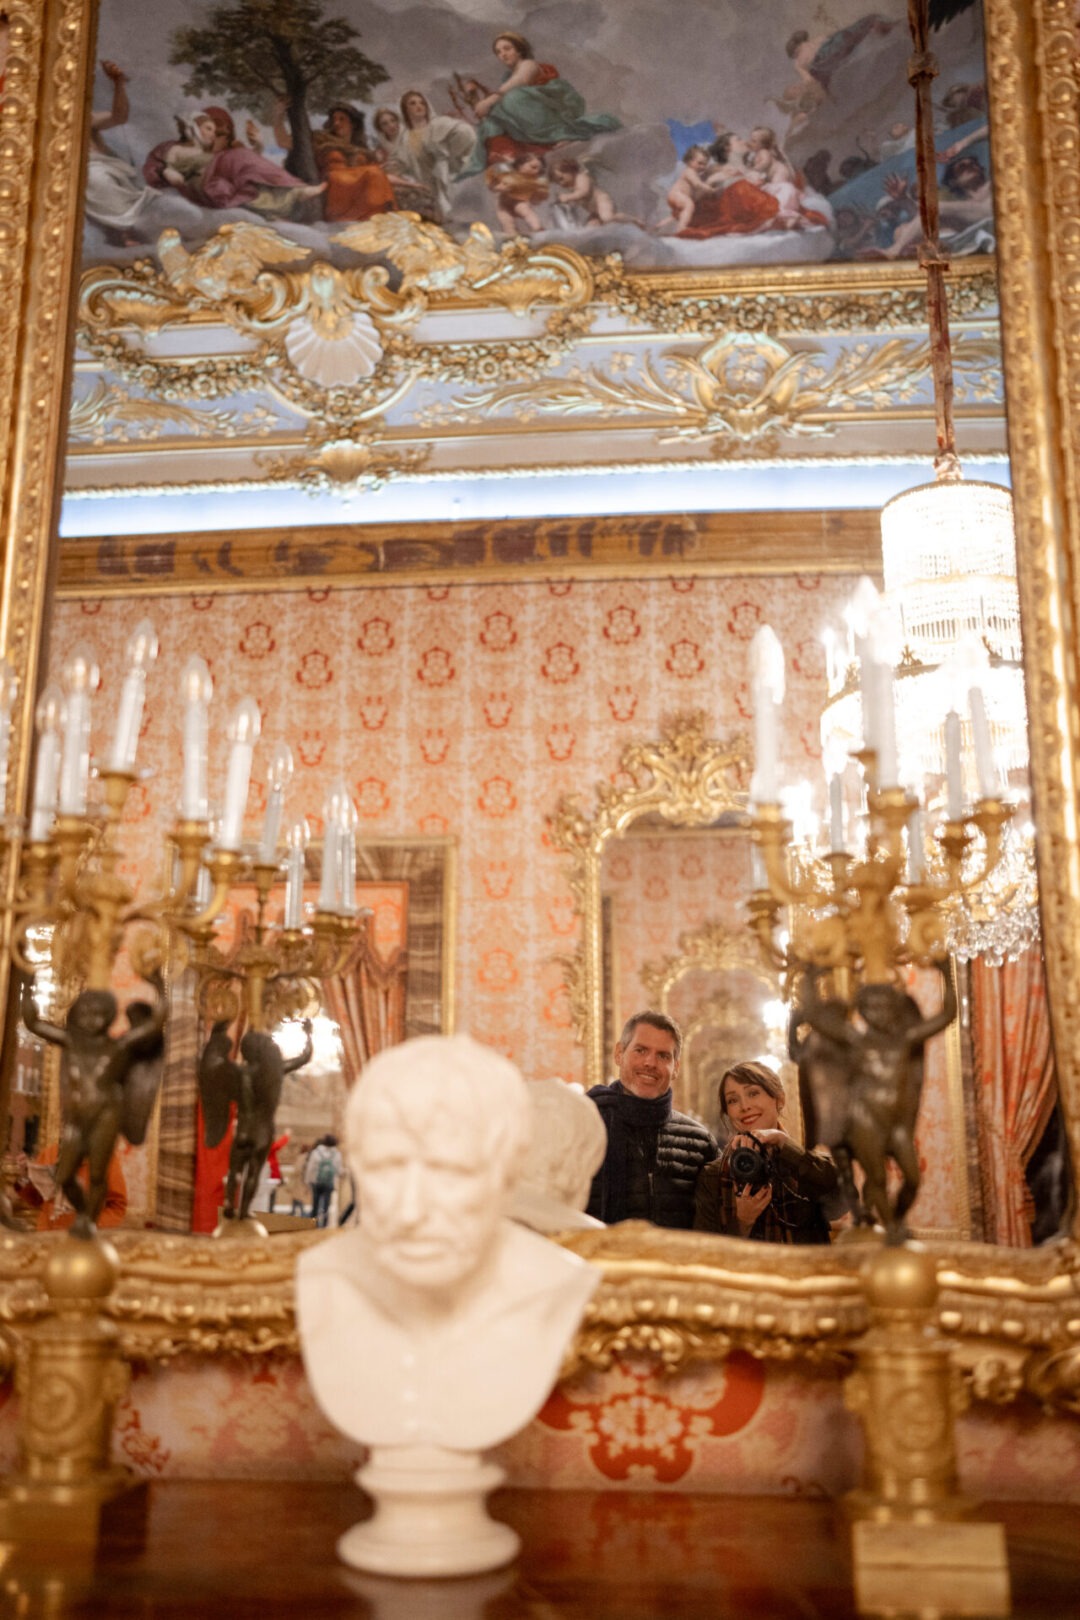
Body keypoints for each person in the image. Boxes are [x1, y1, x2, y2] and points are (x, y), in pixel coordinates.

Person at [586, 1010, 717, 1228]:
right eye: (640, 1050)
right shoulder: (585, 1125)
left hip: (672, 1261)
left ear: (675, 1067)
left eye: (663, 1056)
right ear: (619, 1054)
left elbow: (716, 1229)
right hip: (596, 1259)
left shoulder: (700, 1143)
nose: (650, 1063)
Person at [693, 1061, 838, 1244]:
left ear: (780, 1099)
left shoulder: (803, 1164)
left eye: (753, 1093)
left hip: (806, 1271)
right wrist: (742, 1223)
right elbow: (707, 1253)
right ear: (728, 1112)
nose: (744, 1106)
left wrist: (785, 1146)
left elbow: (842, 1202)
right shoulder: (713, 1176)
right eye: (732, 1100)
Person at [462, 31, 620, 177]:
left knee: (513, 97)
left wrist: (489, 100)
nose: (503, 54)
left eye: (507, 48)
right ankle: (507, 155)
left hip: (549, 112)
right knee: (493, 119)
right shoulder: (508, 76)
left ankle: (561, 135)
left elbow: (519, 82)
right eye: (498, 52)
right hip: (528, 118)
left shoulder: (528, 64)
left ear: (519, 50)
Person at [145, 107, 325, 218]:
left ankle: (294, 192)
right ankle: (295, 190)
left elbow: (249, 164)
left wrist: (259, 145)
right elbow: (164, 170)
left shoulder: (223, 152)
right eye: (211, 130)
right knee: (241, 183)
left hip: (222, 173)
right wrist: (167, 173)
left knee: (246, 173)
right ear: (194, 128)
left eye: (221, 133)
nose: (214, 136)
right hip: (210, 181)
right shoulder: (178, 149)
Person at [84, 59, 156, 245]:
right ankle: (123, 231)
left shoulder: (84, 118)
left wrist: (118, 84)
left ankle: (130, 229)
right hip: (87, 172)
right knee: (95, 177)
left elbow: (119, 117)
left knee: (98, 176)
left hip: (106, 165)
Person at [665, 137, 779, 238]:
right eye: (738, 139)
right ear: (727, 148)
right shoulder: (715, 168)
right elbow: (698, 195)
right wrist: (712, 180)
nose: (744, 141)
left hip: (746, 204)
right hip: (723, 206)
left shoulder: (752, 166)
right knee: (741, 187)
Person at [395, 89, 477, 224]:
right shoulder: (405, 136)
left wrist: (449, 154)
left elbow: (466, 132)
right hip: (423, 182)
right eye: (413, 103)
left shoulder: (439, 124)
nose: (419, 106)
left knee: (450, 213)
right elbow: (402, 161)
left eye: (422, 103)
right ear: (405, 109)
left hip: (444, 176)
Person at [13, 1139, 128, 1231]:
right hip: (48, 1236)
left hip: (85, 1242)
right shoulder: (50, 1153)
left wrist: (94, 1225)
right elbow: (36, 1199)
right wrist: (24, 1176)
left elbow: (118, 1206)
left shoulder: (106, 1159)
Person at [486, 152, 548, 234]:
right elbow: (492, 185)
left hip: (519, 201)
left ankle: (537, 228)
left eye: (539, 169)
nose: (536, 171)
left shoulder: (534, 179)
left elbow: (541, 193)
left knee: (525, 210)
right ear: (520, 166)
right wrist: (499, 188)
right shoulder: (508, 172)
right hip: (503, 203)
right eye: (533, 167)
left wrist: (538, 197)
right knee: (507, 221)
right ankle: (512, 236)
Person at [306, 1132, 344, 1227]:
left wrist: (307, 1181)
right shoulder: (336, 1154)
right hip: (329, 1183)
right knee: (326, 1205)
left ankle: (313, 1223)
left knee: (315, 1204)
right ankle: (324, 1224)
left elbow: (310, 1168)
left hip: (316, 1182)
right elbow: (339, 1170)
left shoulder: (316, 1152)